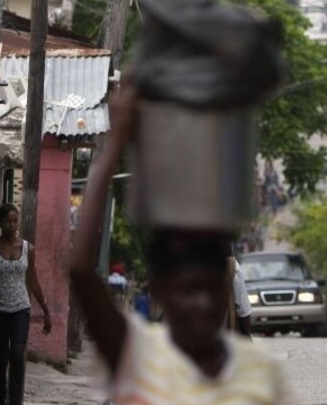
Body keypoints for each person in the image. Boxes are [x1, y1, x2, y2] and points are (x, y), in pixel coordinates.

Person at [70, 88, 291, 404]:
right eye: (188, 290)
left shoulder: (260, 372)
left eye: (211, 289)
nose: (201, 303)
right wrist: (116, 140)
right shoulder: (138, 356)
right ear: (160, 291)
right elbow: (79, 269)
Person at [0, 203, 52, 405]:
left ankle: (16, 400)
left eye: (15, 221)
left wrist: (45, 309)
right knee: (1, 359)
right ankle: (0, 399)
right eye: (8, 221)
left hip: (20, 310)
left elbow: (32, 280)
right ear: (0, 222)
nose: (12, 225)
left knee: (17, 354)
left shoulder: (27, 249)